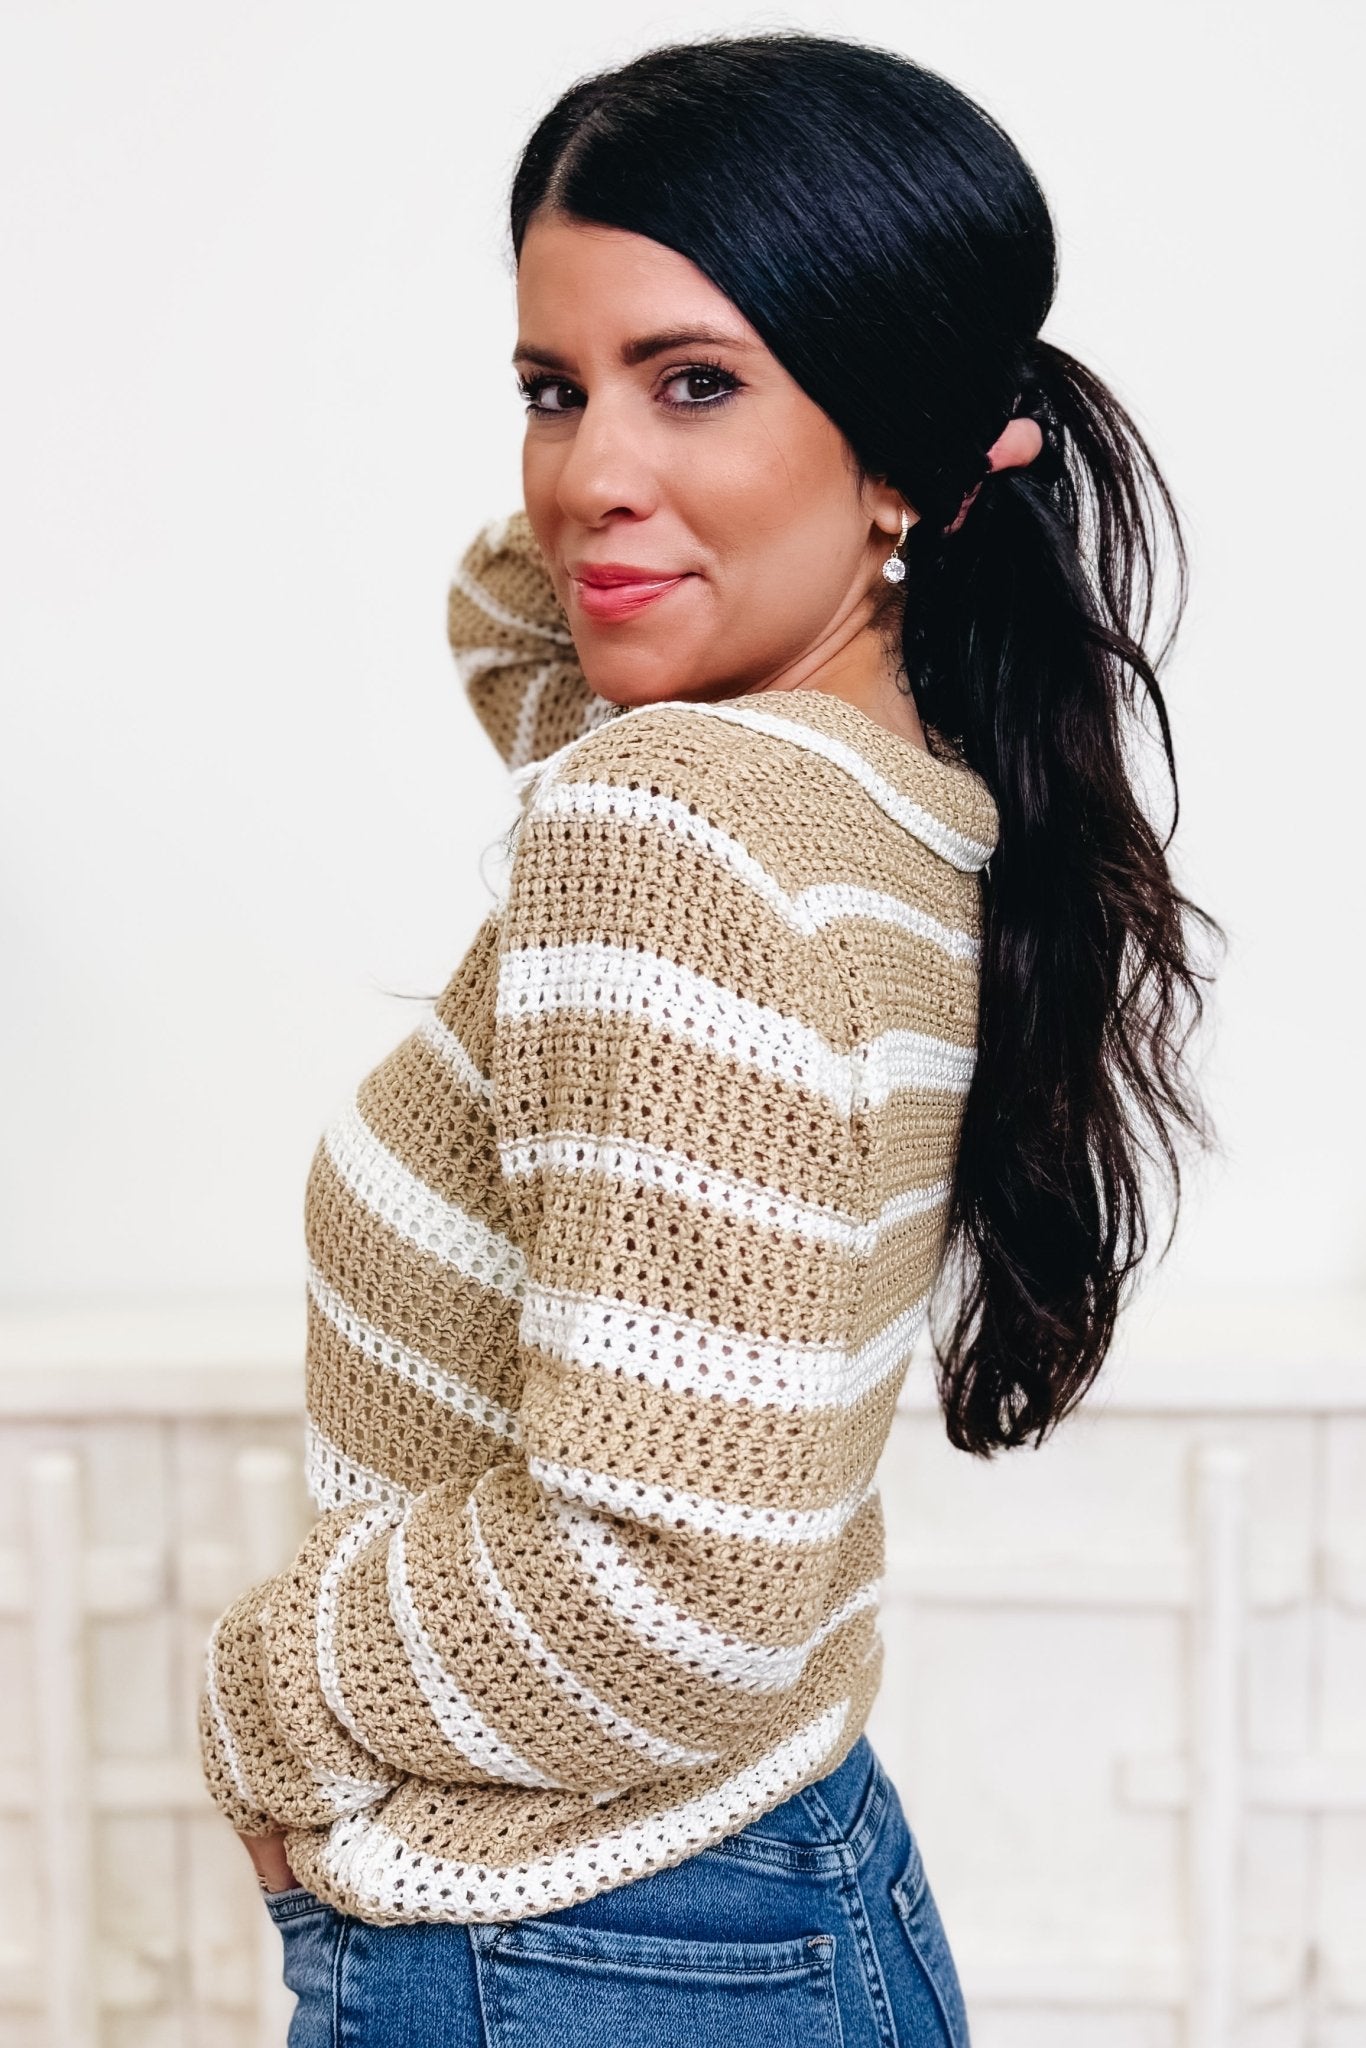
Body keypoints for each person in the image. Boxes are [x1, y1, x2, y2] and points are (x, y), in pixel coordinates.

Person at [197, 32, 1221, 2046]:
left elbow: (670, 1592)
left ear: (901, 444)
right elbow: (530, 627)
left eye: (694, 381)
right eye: (547, 388)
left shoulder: (668, 826)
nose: (585, 474)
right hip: (766, 1886)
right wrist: (786, 485)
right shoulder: (902, 795)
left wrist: (264, 1691)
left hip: (567, 1941)